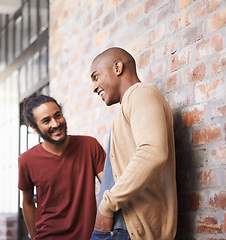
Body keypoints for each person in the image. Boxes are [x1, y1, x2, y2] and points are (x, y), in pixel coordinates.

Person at [89, 47, 177, 240]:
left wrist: (107, 204)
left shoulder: (140, 93)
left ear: (118, 67)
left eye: (96, 77)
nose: (93, 88)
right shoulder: (130, 102)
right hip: (120, 227)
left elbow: (153, 152)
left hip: (128, 230)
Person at [18, 94, 106, 239]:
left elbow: (109, 188)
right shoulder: (26, 160)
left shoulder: (90, 146)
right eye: (46, 121)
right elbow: (27, 203)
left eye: (57, 116)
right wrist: (34, 237)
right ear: (34, 127)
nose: (55, 124)